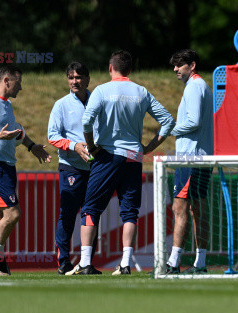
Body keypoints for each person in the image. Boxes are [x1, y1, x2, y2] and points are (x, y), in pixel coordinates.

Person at [66, 50, 175, 275]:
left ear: (110, 68)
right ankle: (125, 263)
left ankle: (85, 262)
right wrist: (148, 147)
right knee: (129, 212)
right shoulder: (141, 91)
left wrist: (91, 145)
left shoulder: (102, 90)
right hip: (134, 156)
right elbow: (168, 121)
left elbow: (87, 122)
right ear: (130, 70)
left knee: (90, 208)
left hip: (108, 154)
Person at [0, 65, 51, 276]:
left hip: (5, 167)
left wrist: (32, 147)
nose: (20, 87)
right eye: (18, 82)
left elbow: (17, 131)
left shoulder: (6, 104)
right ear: (7, 80)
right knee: (13, 214)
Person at [166, 49, 214, 274]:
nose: (175, 69)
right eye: (174, 65)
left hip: (191, 157)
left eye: (179, 65)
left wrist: (171, 129)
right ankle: (200, 263)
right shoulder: (201, 86)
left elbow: (193, 121)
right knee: (198, 209)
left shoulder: (195, 86)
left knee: (180, 208)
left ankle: (173, 262)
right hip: (201, 156)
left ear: (192, 66)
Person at [48, 62, 98, 275]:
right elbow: (52, 136)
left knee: (92, 214)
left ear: (87, 79)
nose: (74, 81)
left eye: (78, 77)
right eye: (71, 77)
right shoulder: (61, 105)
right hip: (71, 167)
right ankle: (63, 262)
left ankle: (86, 262)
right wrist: (74, 146)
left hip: (96, 168)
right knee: (67, 215)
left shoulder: (98, 101)